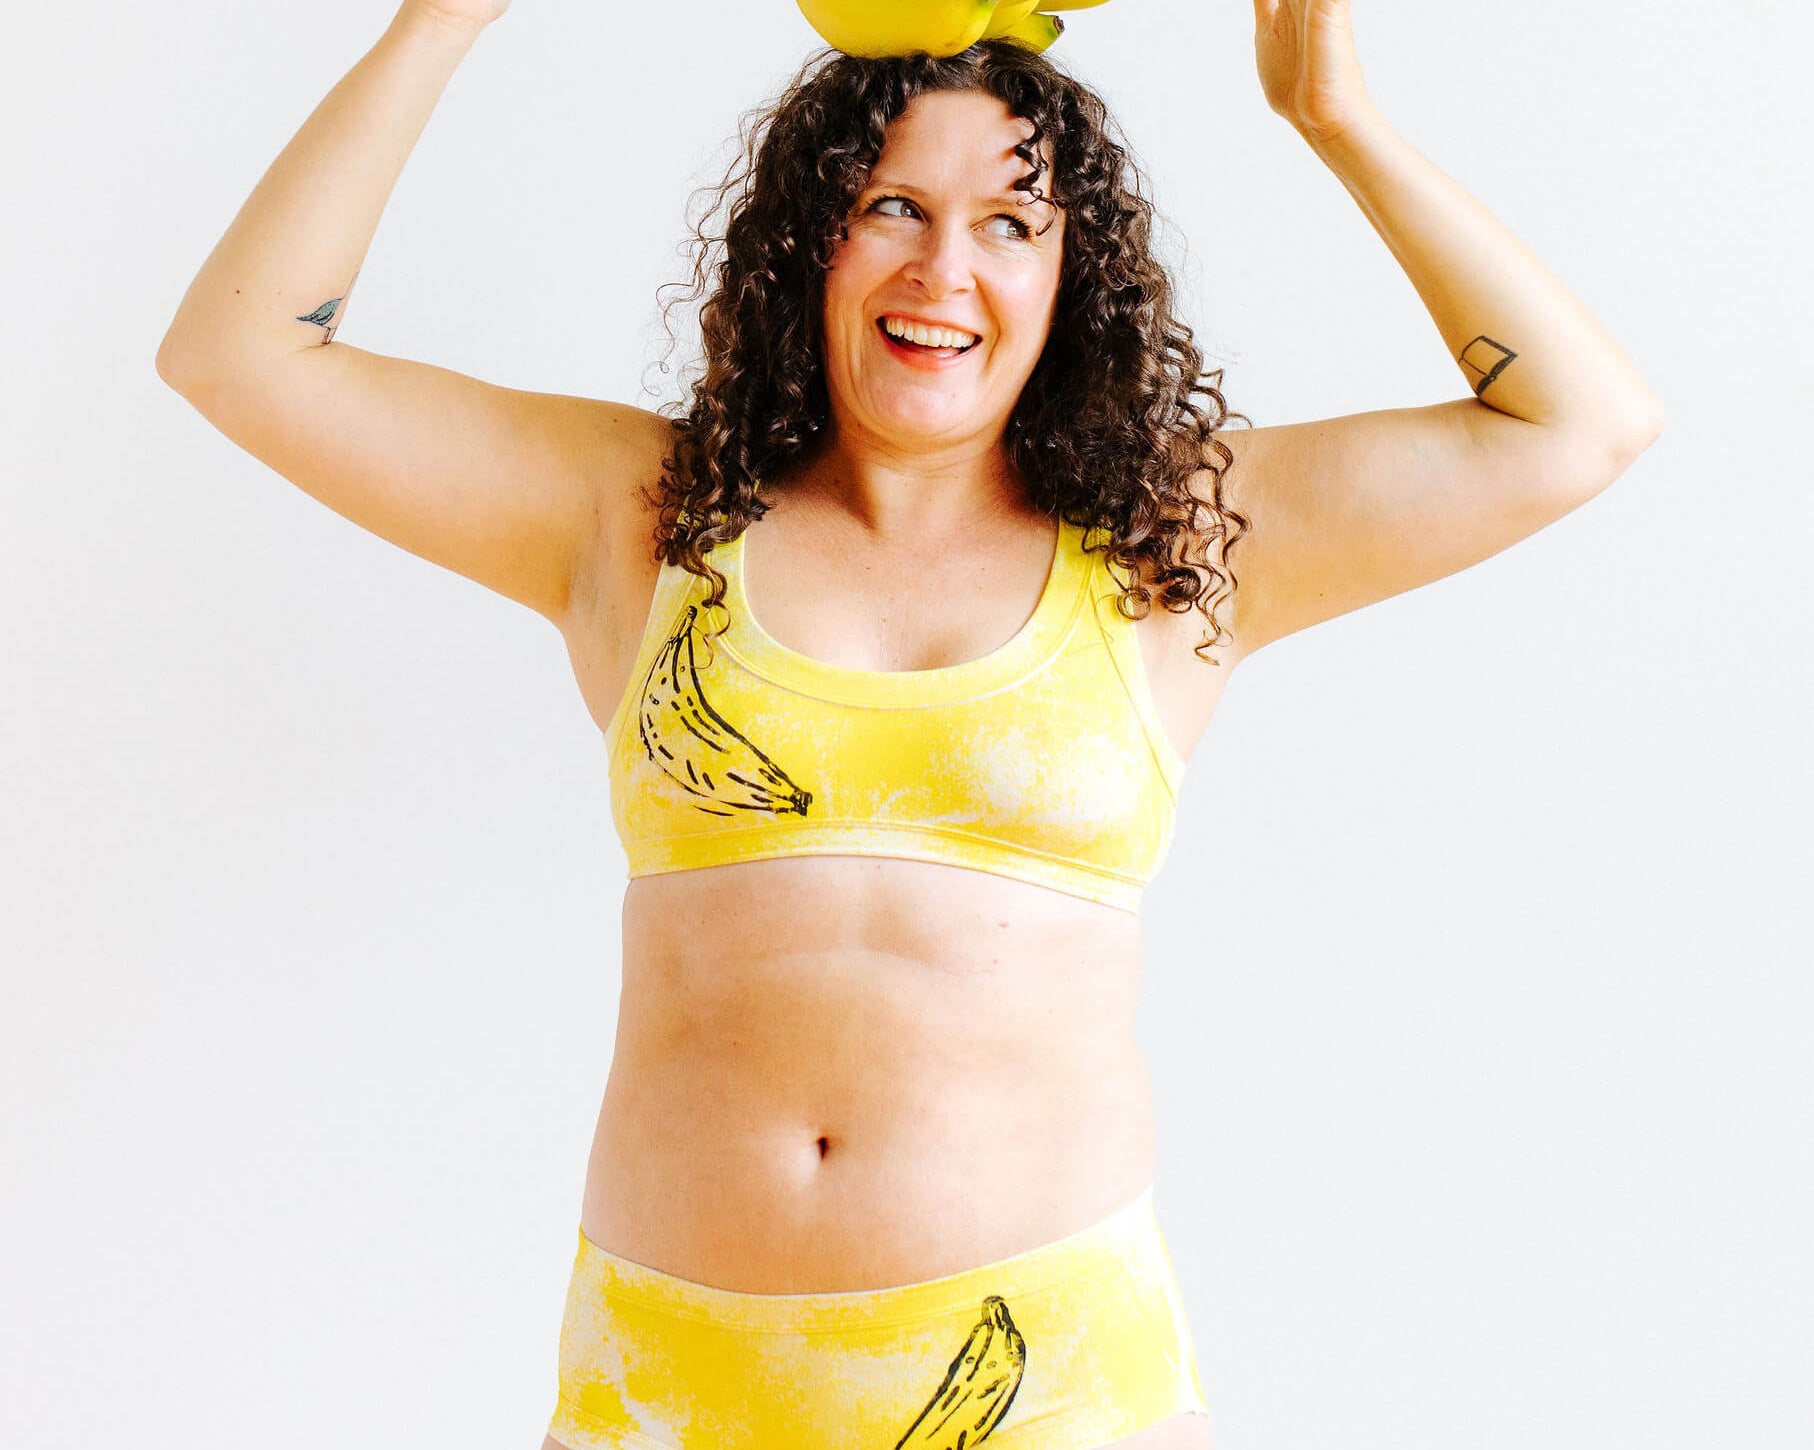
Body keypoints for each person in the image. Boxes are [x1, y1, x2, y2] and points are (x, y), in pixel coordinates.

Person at [154, 2, 1665, 1446]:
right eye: (891, 207)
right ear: (806, 242)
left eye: (1010, 223)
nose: (946, 266)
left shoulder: (1176, 537)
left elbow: (1578, 422)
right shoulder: (638, 515)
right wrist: (442, 20)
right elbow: (239, 356)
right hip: (666, 1388)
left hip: (1057, 1387)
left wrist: (1338, 120)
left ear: (1073, 279)